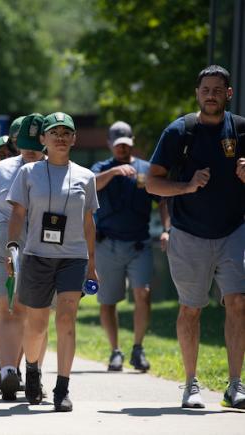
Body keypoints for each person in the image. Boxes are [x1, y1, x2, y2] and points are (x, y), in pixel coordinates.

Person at [146, 65, 245, 410]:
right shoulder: (179, 132)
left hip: (235, 230)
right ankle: (191, 384)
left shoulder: (242, 129)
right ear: (197, 93)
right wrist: (187, 186)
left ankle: (236, 385)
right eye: (206, 89)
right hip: (188, 234)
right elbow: (152, 182)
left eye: (218, 90)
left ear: (228, 94)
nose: (211, 95)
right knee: (191, 309)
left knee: (239, 302)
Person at [7, 112, 98, 412]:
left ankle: (62, 388)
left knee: (66, 319)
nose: (60, 137)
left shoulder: (86, 177)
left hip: (72, 257)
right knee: (36, 324)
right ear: (43, 139)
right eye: (53, 132)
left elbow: (88, 223)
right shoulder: (29, 173)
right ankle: (32, 369)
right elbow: (18, 213)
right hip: (36, 256)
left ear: (74, 139)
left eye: (66, 132)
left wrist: (92, 264)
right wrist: (12, 248)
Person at [91, 121, 169, 372]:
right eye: (117, 146)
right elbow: (89, 185)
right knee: (107, 300)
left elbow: (163, 200)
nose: (122, 150)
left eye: (126, 145)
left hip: (139, 244)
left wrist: (167, 230)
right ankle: (115, 351)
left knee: (143, 294)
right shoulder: (101, 168)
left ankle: (138, 348)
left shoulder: (145, 170)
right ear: (109, 145)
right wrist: (115, 172)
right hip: (107, 244)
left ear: (132, 144)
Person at [0, 119, 46, 401]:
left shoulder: (53, 171)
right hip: (2, 250)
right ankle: (8, 371)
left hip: (42, 251)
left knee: (37, 317)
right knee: (8, 310)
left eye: (36, 145)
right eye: (25, 145)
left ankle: (32, 373)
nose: (31, 151)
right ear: (15, 143)